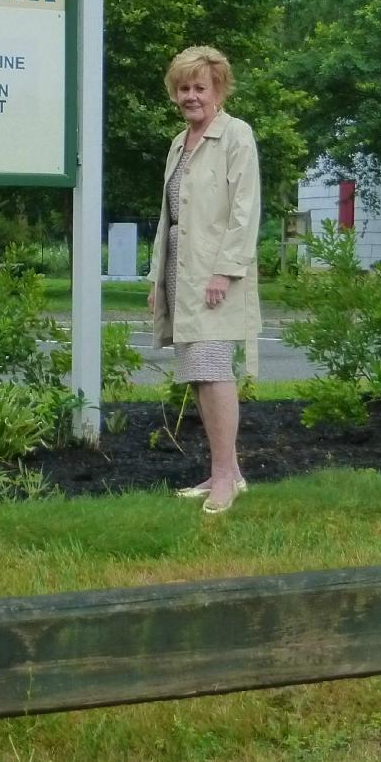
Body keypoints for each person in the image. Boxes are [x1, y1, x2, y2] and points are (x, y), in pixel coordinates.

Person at [146, 44, 261, 514]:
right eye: (183, 88)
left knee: (214, 371)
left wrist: (224, 270)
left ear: (218, 90)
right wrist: (157, 279)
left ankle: (222, 479)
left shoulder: (236, 135)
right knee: (197, 373)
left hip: (215, 274)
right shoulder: (179, 142)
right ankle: (228, 472)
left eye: (199, 87)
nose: (190, 95)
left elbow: (245, 209)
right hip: (180, 269)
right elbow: (167, 217)